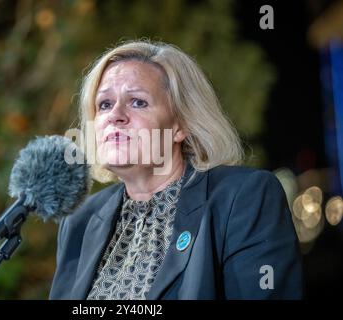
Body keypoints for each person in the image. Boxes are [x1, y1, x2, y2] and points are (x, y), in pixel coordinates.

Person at [49, 40, 302, 299]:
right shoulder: (79, 221)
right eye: (104, 104)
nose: (115, 115)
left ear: (180, 125)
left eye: (137, 102)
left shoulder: (244, 198)